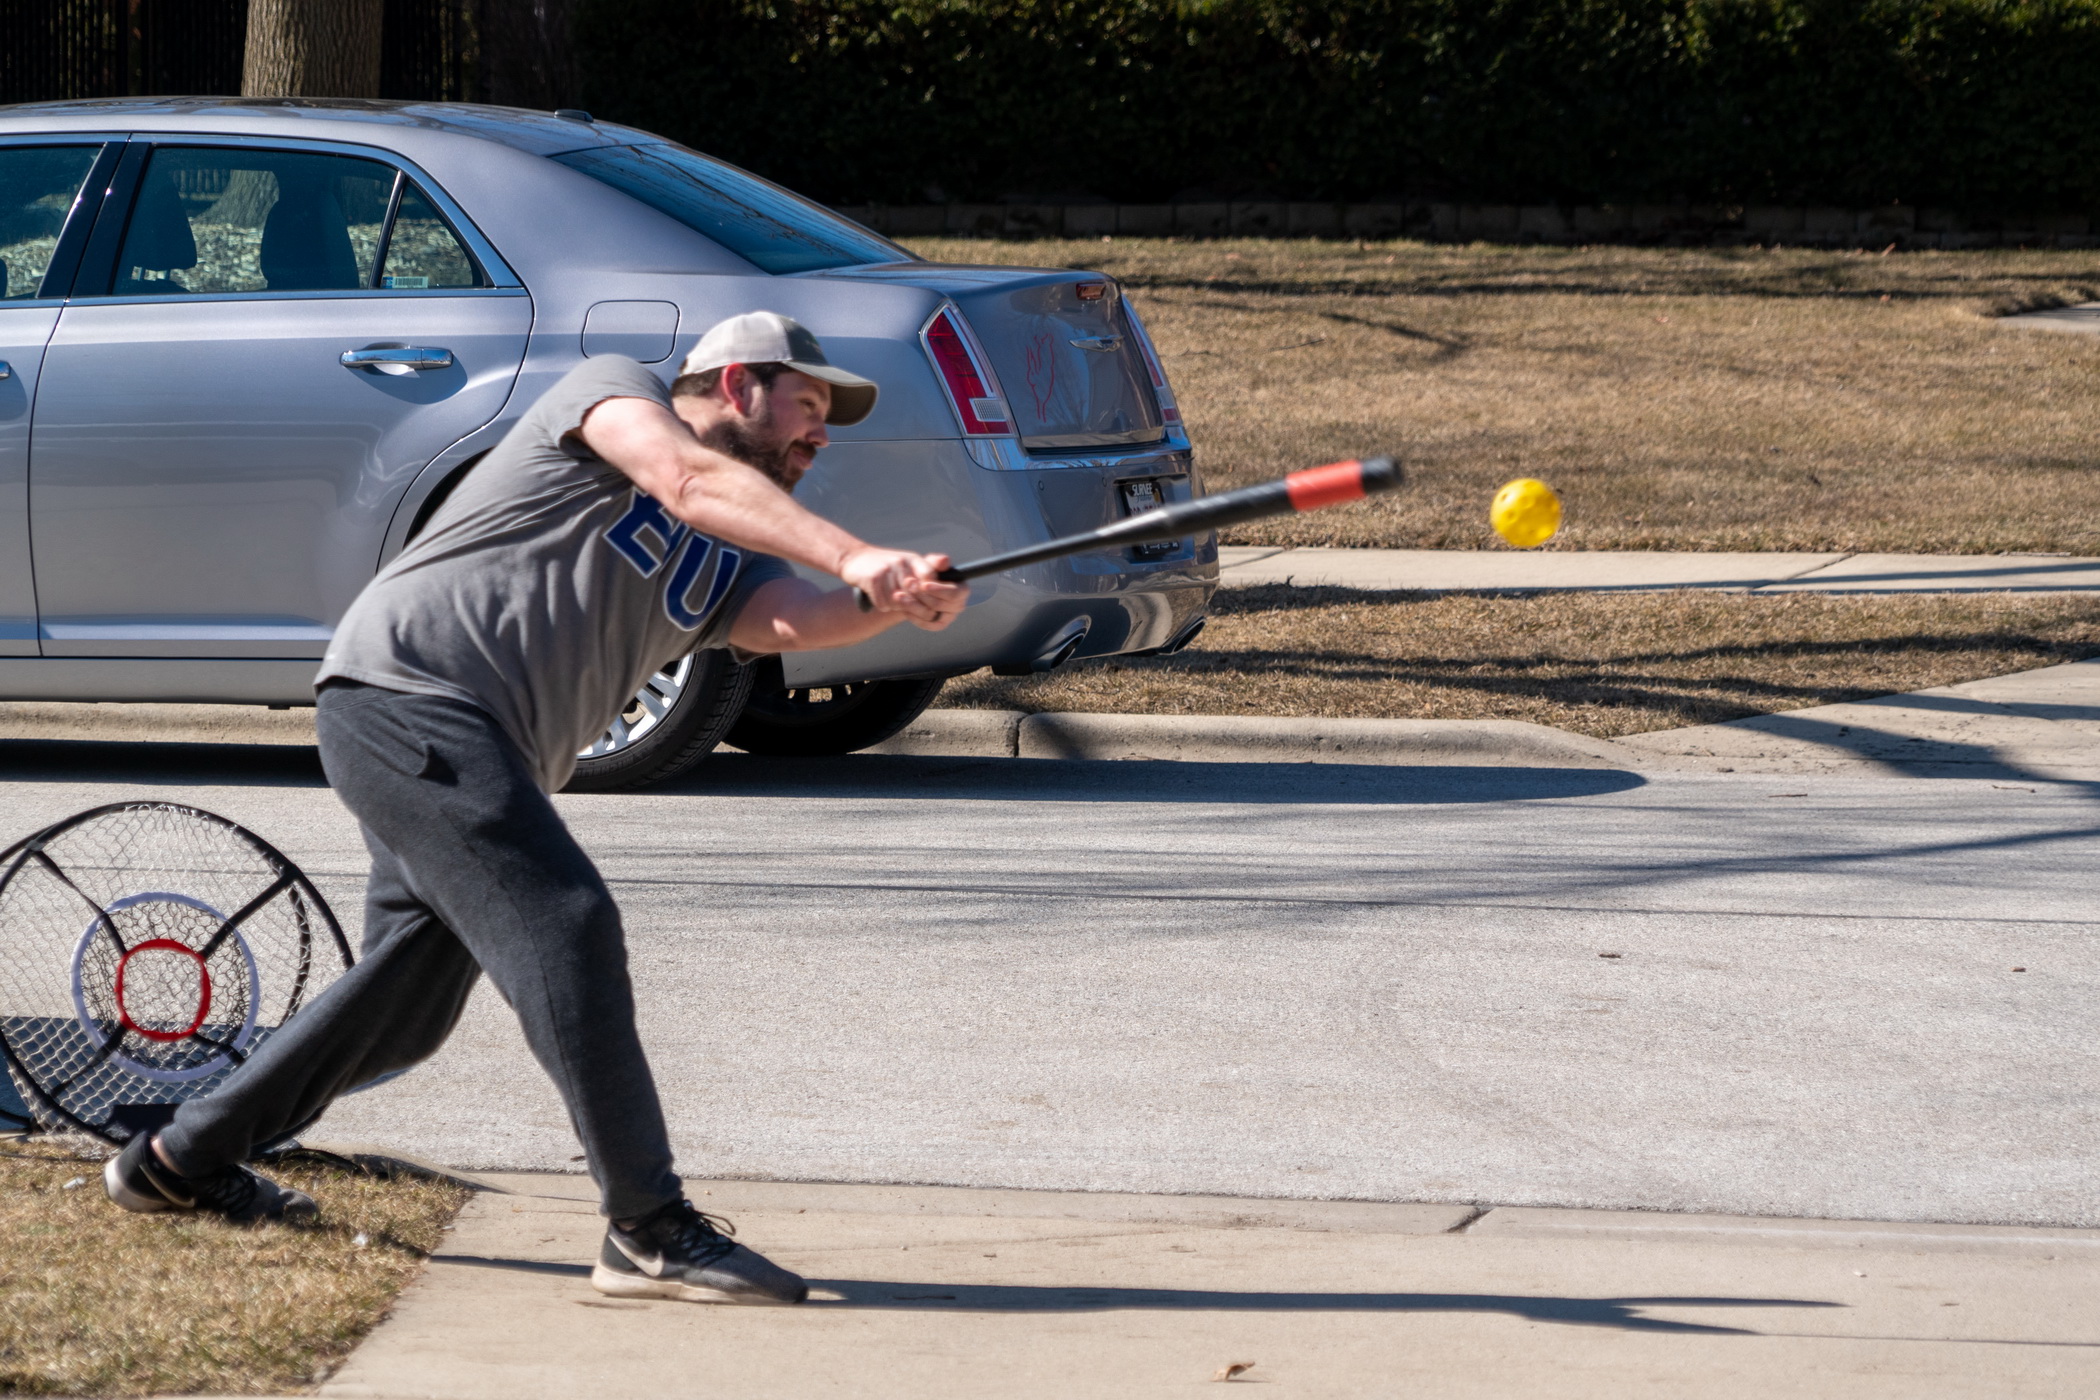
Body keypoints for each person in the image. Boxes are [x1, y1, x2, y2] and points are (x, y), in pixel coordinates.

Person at [102, 311, 968, 1307]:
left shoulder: (728, 553)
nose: (820, 434)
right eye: (807, 405)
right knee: (567, 920)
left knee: (405, 1010)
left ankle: (177, 1160)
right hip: (413, 697)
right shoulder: (612, 393)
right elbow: (686, 478)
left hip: (475, 746)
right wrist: (856, 553)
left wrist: (890, 598)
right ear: (737, 385)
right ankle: (648, 1226)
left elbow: (792, 618)